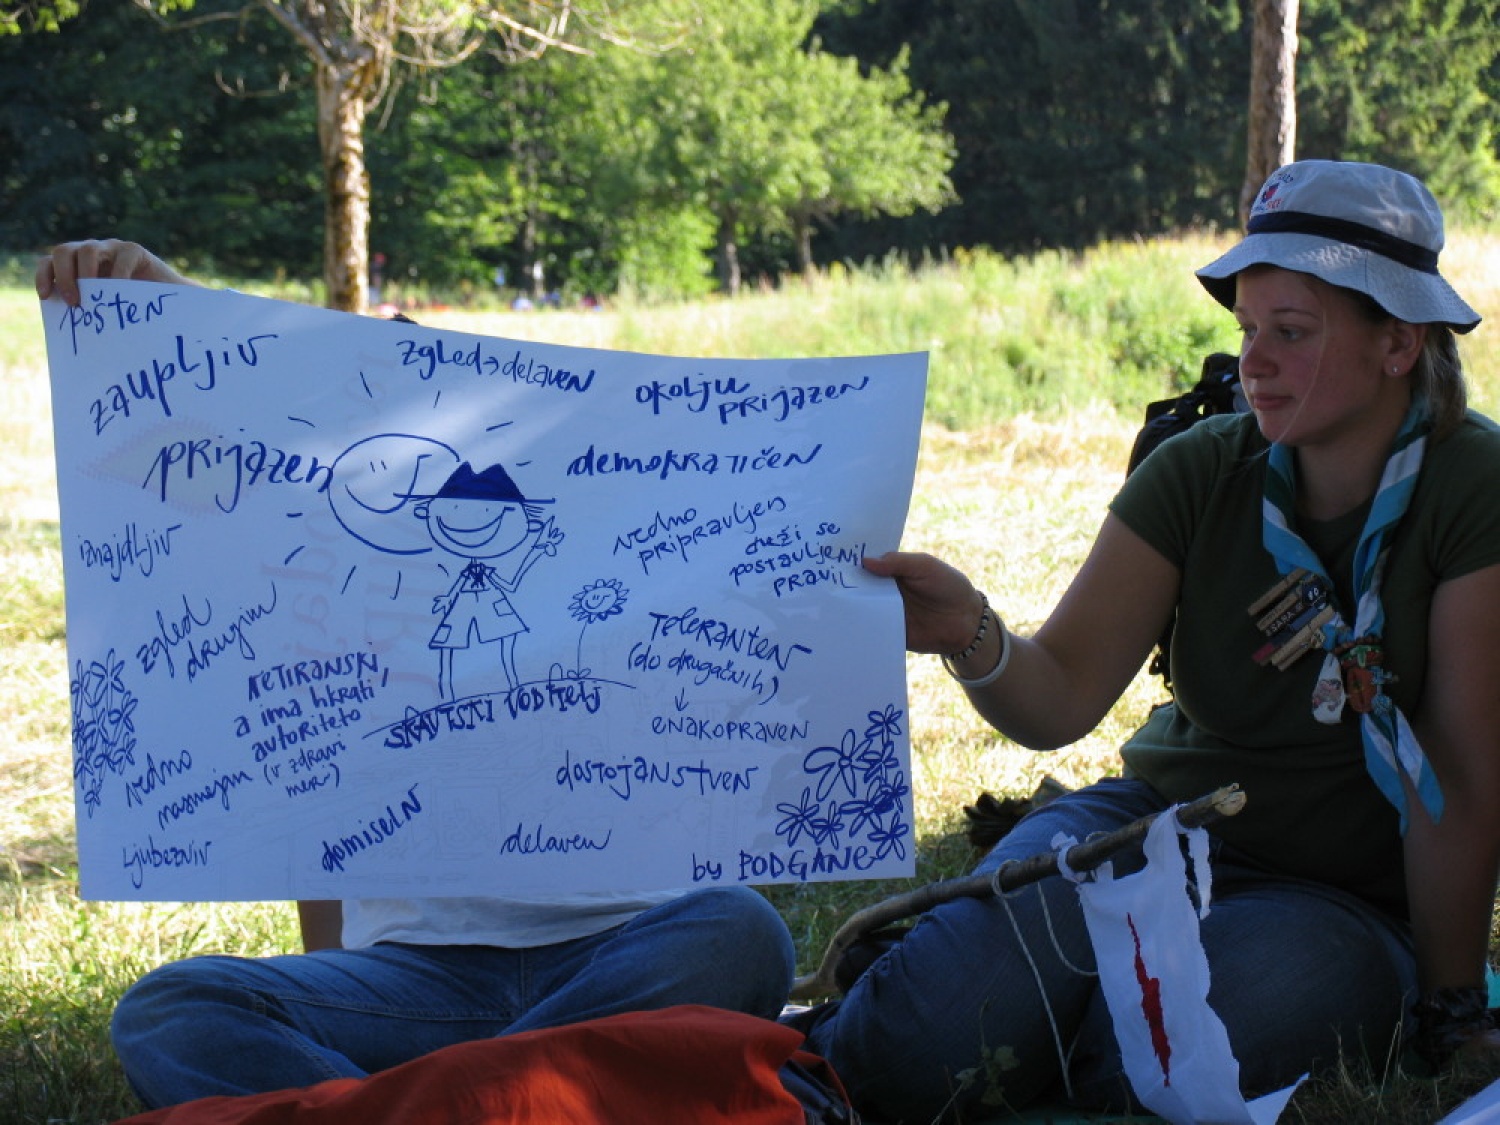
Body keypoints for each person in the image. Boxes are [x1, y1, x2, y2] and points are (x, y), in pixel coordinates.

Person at [796, 160, 1500, 1121]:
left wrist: (1451, 1005)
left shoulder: (1473, 485)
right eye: (1248, 330)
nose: (1253, 361)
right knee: (915, 1043)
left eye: (1291, 333)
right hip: (1151, 829)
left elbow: (1452, 778)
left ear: (1399, 342)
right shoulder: (1201, 469)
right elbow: (1058, 699)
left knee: (1159, 1065)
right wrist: (971, 632)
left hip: (1335, 899)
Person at [35, 239, 798, 1111]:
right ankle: (515, 1095)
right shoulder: (312, 629)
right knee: (169, 1010)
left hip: (619, 950)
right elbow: (247, 429)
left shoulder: (598, 592)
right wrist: (161, 298)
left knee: (743, 930)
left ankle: (433, 1101)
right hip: (411, 988)